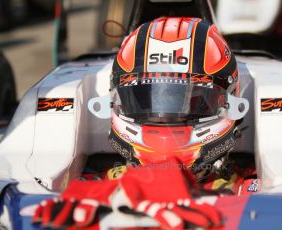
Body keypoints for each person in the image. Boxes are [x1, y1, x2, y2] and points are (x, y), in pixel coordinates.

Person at [107, 17, 257, 194]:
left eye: (191, 101)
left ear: (230, 102)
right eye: (146, 99)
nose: (165, 116)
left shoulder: (248, 188)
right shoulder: (96, 185)